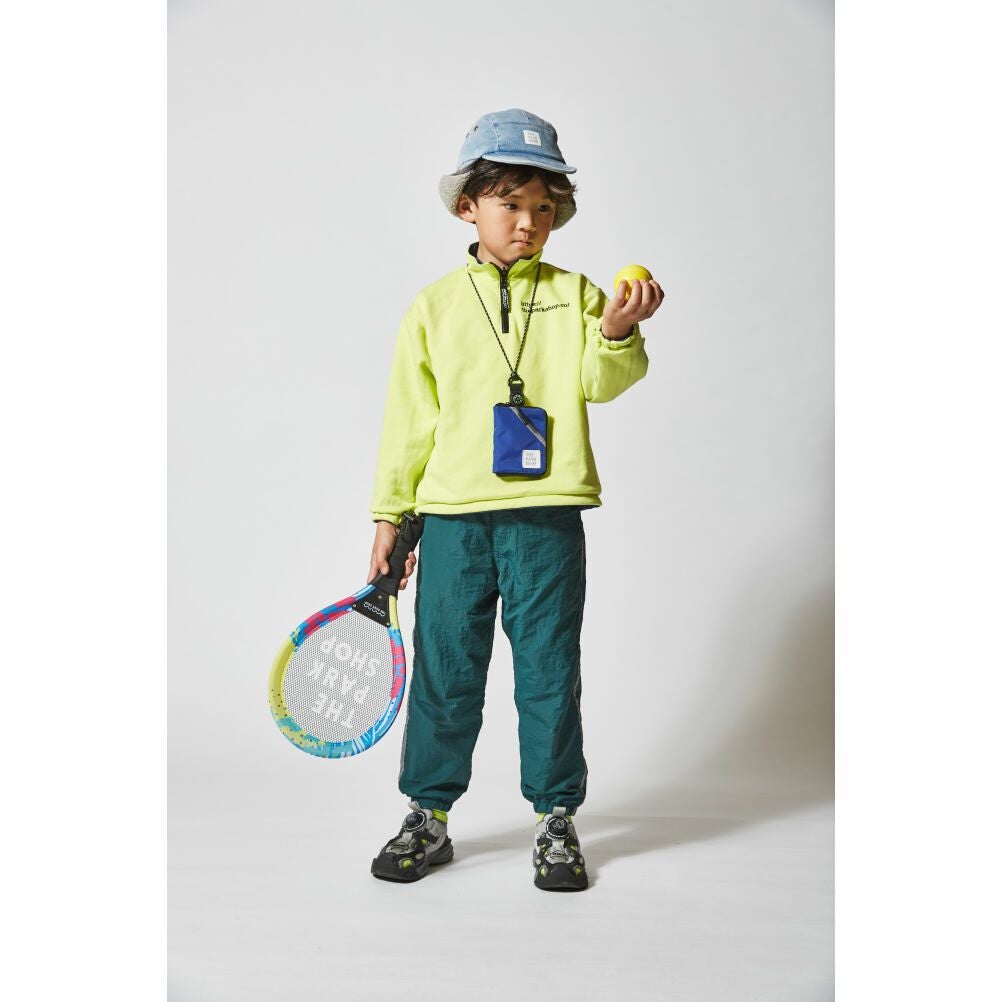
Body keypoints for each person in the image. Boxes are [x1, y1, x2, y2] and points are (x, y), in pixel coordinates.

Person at [366, 108, 664, 891]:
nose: (528, 221)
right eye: (509, 203)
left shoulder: (578, 295)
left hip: (546, 519)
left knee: (548, 670)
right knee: (446, 670)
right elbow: (409, 422)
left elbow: (602, 383)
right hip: (453, 521)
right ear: (468, 206)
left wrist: (619, 332)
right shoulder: (433, 308)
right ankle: (428, 814)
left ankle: (556, 818)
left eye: (543, 207)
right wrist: (392, 517)